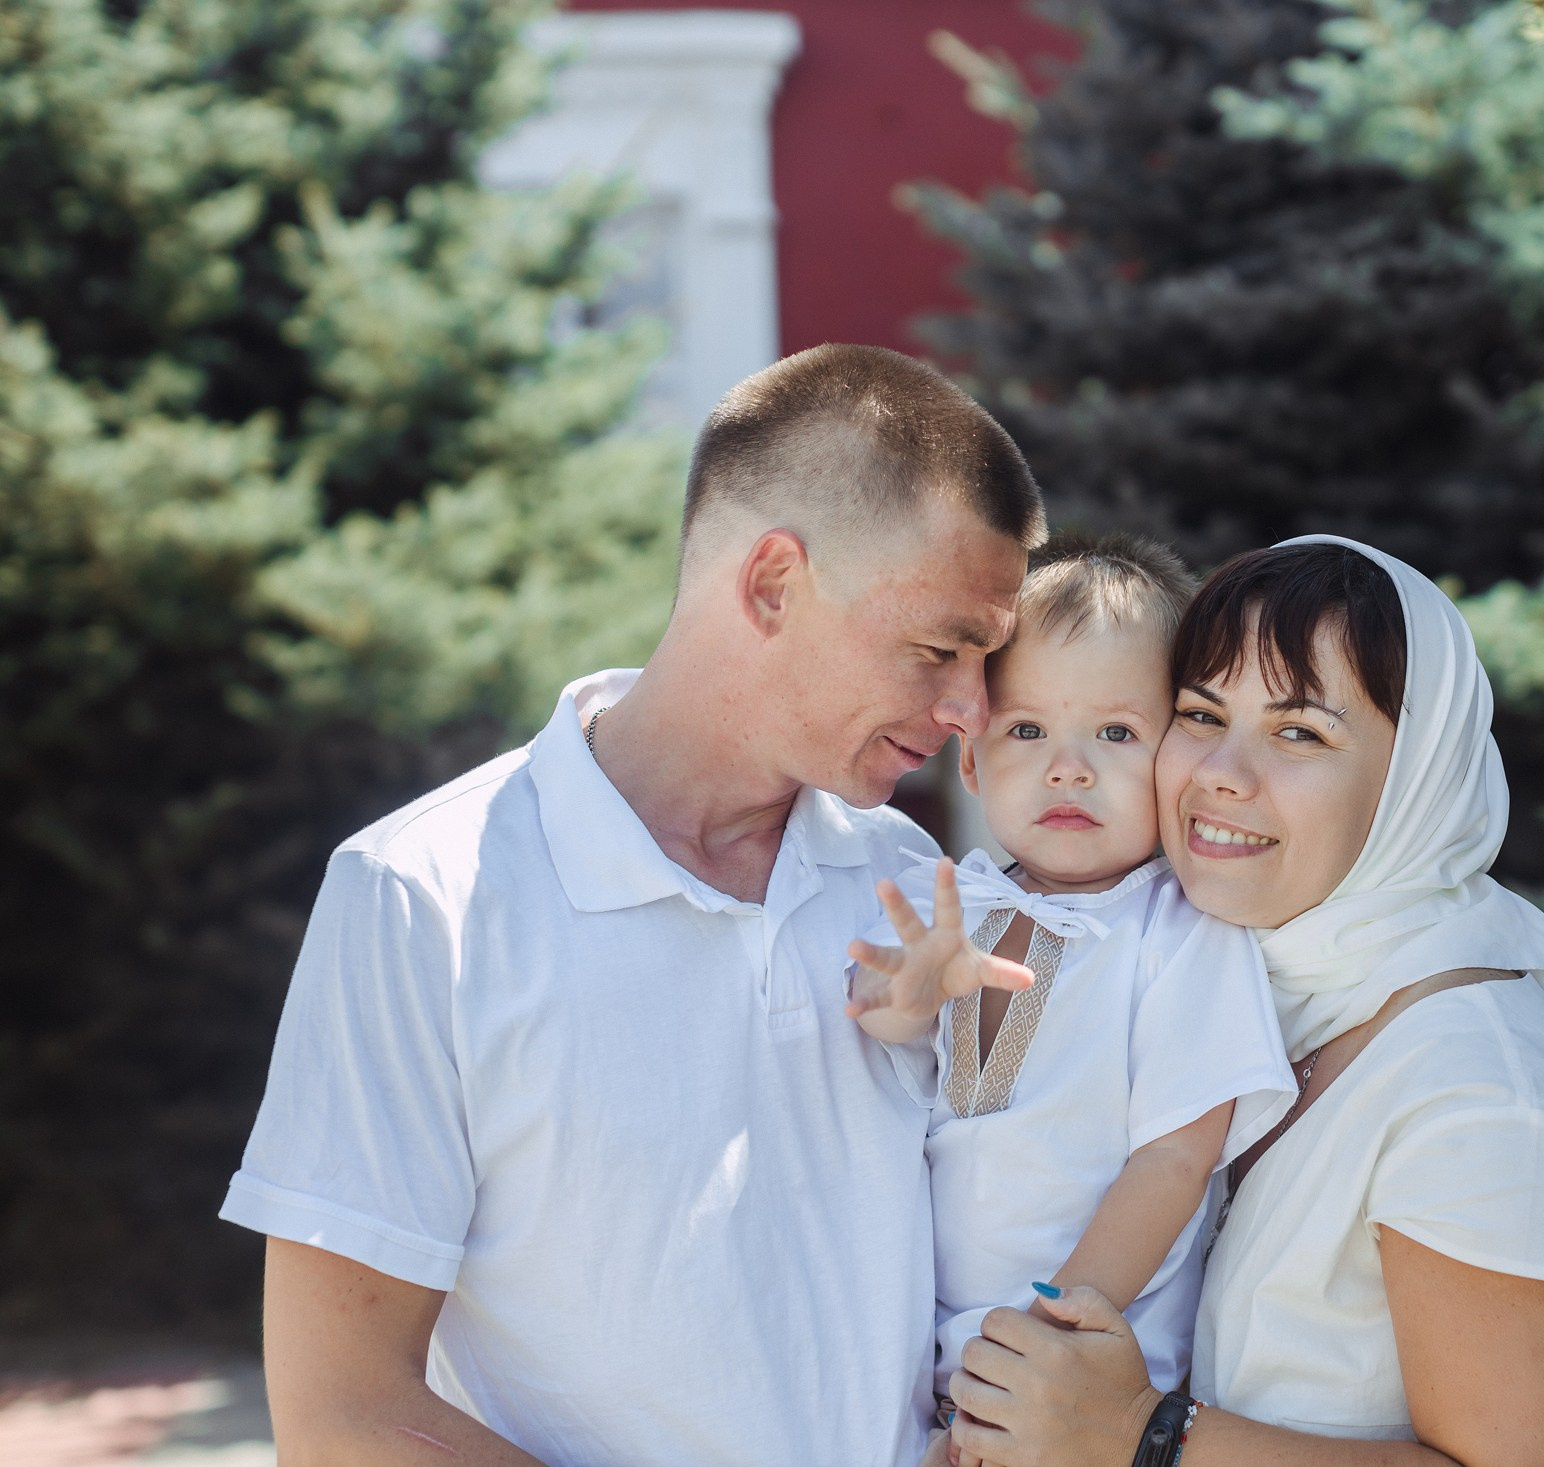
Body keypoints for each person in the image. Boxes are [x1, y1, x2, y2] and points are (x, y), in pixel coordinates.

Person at [217, 344, 1047, 1467]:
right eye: (939, 648)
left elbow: (1018, 1199)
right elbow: (345, 1417)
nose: (969, 710)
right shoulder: (421, 895)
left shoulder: (914, 883)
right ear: (771, 584)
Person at [940, 538, 1544, 1467]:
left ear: (1414, 778)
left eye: (1300, 732)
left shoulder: (1484, 1091)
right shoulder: (1255, 983)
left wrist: (1145, 1437)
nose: (1223, 772)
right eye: (1201, 714)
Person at [846, 535, 1296, 1419]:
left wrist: (1053, 1335)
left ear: (1178, 761)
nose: (1069, 765)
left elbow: (1174, 1154)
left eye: (1117, 732)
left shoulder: (1178, 930)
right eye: (1027, 729)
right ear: (969, 761)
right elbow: (878, 1020)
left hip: (1082, 1364)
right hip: (935, 1362)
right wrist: (906, 996)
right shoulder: (953, 900)